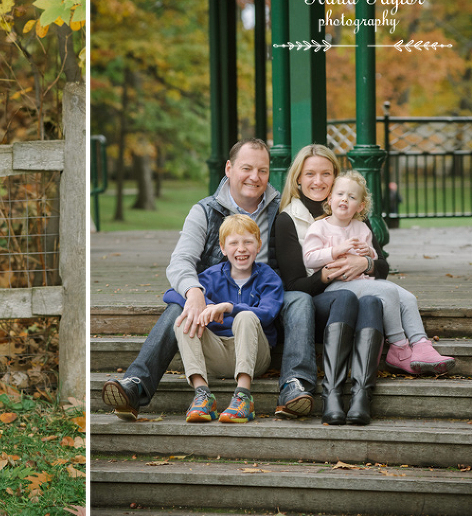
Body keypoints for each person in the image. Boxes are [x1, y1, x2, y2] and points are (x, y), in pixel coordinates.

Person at [102, 138, 315, 421]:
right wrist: (194, 292)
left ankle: (293, 385)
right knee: (180, 307)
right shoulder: (204, 211)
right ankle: (137, 384)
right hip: (213, 310)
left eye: (262, 170)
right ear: (229, 168)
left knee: (300, 299)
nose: (255, 177)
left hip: (267, 301)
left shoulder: (282, 208)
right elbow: (181, 261)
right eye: (247, 168)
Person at [274, 145, 387, 425]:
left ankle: (361, 395)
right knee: (347, 297)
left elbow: (383, 267)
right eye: (310, 173)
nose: (318, 181)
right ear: (298, 178)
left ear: (336, 178)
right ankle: (333, 394)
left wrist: (366, 264)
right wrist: (327, 274)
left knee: (372, 301)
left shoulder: (352, 215)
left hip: (353, 296)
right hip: (314, 303)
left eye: (326, 173)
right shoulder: (288, 219)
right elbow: (294, 285)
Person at [303, 170, 455, 376]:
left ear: (361, 206)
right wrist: (335, 251)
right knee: (388, 292)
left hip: (364, 282)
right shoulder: (319, 227)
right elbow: (309, 258)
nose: (344, 200)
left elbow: (374, 258)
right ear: (330, 199)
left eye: (352, 197)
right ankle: (399, 346)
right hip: (336, 286)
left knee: (408, 298)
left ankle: (421, 345)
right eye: (340, 194)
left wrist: (369, 254)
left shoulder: (361, 228)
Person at [165, 215, 283, 423]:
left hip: (255, 356)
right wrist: (203, 302)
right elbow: (170, 294)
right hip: (216, 353)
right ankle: (202, 395)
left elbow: (268, 312)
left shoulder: (269, 277)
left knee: (246, 316)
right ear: (222, 247)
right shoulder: (211, 276)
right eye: (234, 243)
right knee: (185, 318)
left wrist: (231, 307)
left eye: (248, 242)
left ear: (258, 245)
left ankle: (243, 397)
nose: (241, 248)